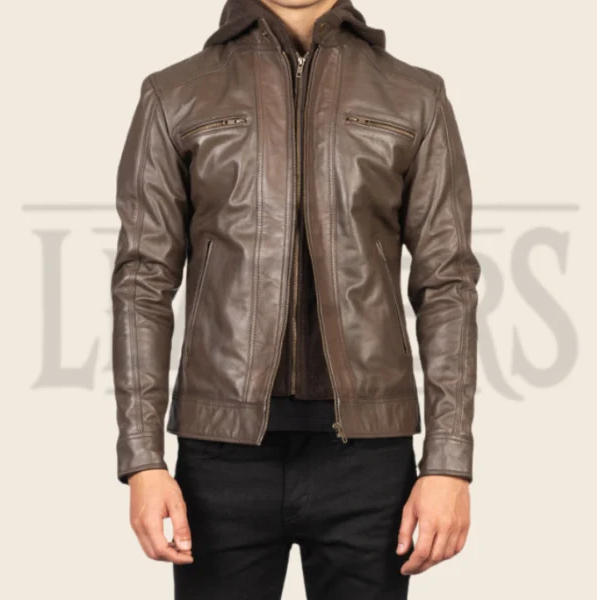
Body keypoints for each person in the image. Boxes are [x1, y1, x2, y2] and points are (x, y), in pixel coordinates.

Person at [111, 0, 481, 598]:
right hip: (220, 456)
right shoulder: (176, 94)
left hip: (370, 458)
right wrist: (142, 459)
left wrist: (448, 461)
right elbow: (141, 283)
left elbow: (448, 284)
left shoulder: (415, 96)